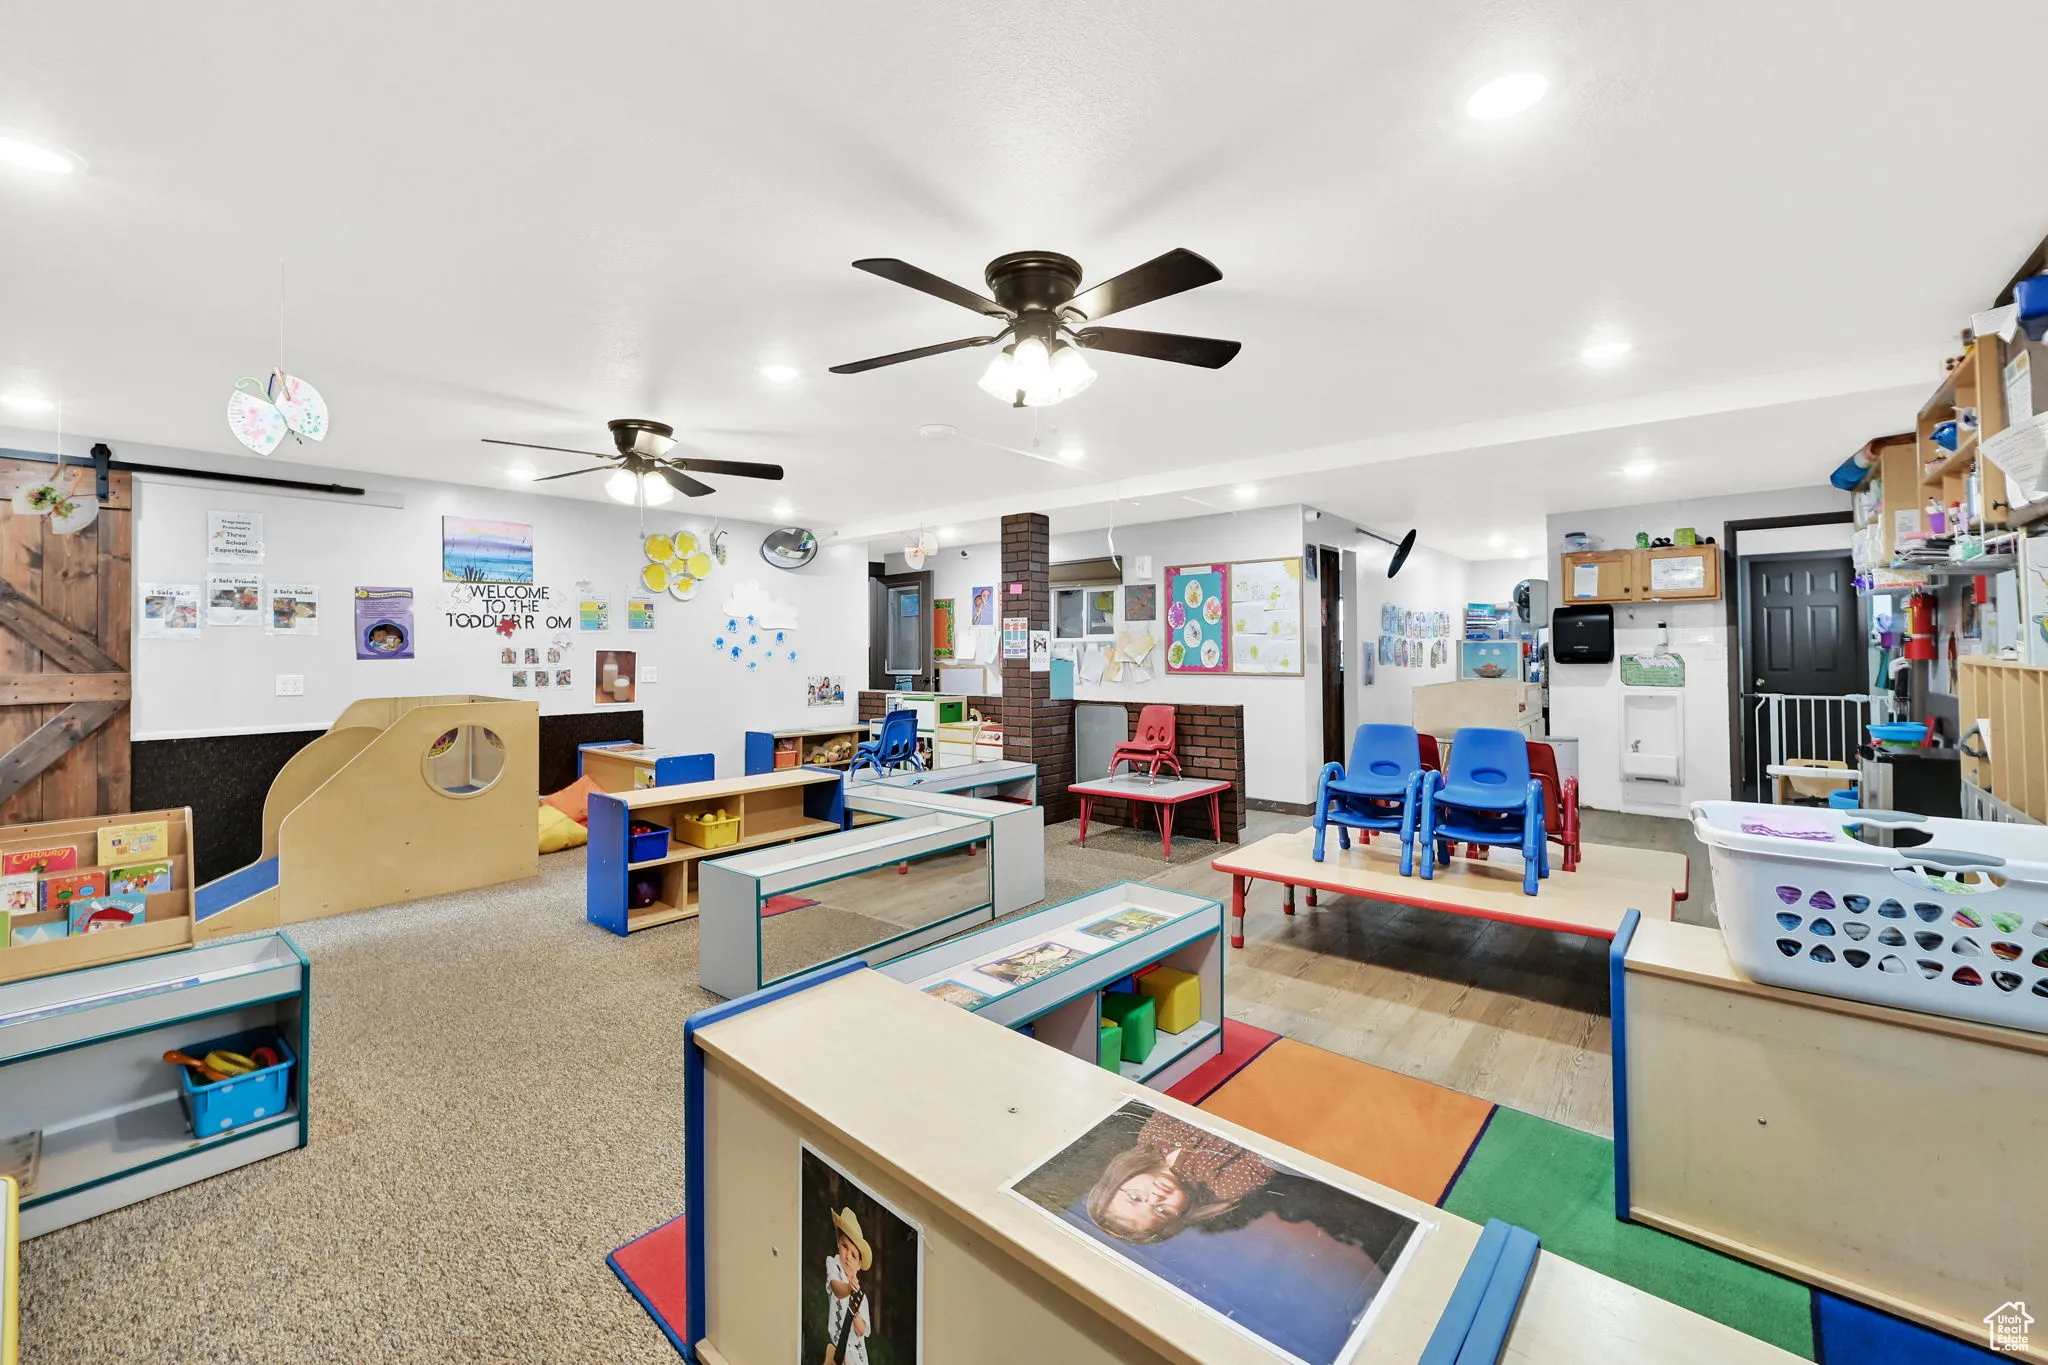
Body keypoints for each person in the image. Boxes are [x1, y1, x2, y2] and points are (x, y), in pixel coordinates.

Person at [1085, 1110, 1274, 1244]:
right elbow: (1274, 1145)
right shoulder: (1224, 1184)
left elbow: (1182, 1095)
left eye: (1135, 1198)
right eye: (1161, 1211)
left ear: (1119, 1179)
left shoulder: (1149, 1138)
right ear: (1182, 1213)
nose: (1154, 1198)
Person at [823, 1206, 873, 1364]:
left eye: (854, 1254)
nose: (847, 1257)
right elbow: (837, 1290)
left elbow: (861, 1330)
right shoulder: (833, 1264)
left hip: (855, 1356)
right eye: (844, 1246)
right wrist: (848, 1288)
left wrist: (857, 1317)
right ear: (838, 1243)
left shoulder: (861, 1297)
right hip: (837, 1346)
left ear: (859, 1264)